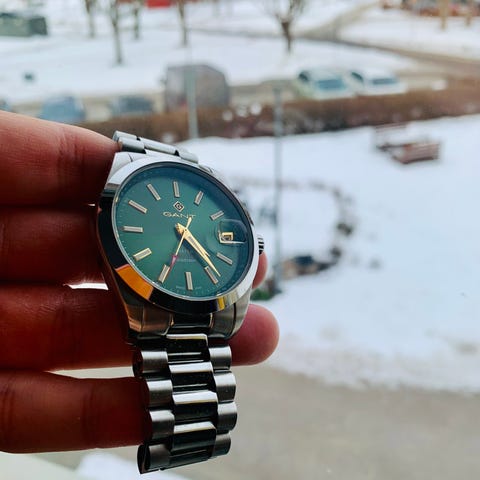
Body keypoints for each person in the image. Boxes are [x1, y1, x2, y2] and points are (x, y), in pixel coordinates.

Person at [0, 111, 279, 453]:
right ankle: (185, 444)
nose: (183, 230)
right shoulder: (123, 180)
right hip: (158, 307)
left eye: (185, 228)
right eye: (182, 229)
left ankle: (193, 442)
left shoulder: (208, 190)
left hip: (217, 297)